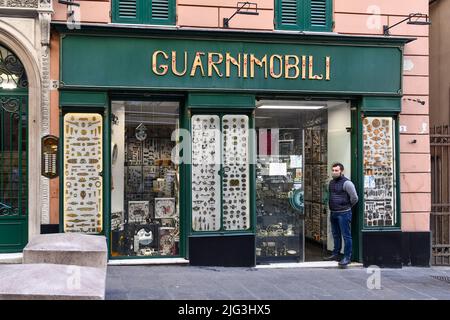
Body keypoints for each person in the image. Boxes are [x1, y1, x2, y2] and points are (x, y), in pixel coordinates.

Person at [324, 162, 358, 267]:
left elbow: (355, 198)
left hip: (344, 213)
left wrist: (346, 206)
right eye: (333, 170)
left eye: (336, 170)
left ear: (341, 171)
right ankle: (335, 253)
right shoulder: (331, 183)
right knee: (336, 235)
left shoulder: (347, 183)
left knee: (346, 236)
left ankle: (347, 257)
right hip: (333, 212)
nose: (334, 172)